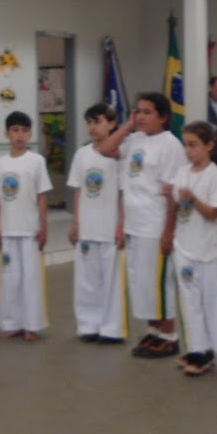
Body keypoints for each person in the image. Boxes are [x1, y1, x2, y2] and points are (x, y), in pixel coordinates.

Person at [100, 91, 184, 358]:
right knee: (141, 283)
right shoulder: (134, 139)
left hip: (154, 224)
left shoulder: (170, 145)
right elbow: (105, 149)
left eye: (148, 112)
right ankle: (153, 331)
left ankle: (169, 335)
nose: (141, 117)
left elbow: (173, 194)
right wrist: (128, 125)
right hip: (134, 224)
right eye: (138, 111)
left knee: (158, 282)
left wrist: (169, 231)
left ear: (163, 116)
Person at [171, 120, 217, 375]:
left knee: (210, 301)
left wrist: (192, 199)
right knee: (189, 300)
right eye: (186, 145)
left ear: (209, 145)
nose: (188, 150)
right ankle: (196, 348)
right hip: (183, 245)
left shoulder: (216, 176)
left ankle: (210, 351)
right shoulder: (183, 172)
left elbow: (213, 214)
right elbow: (176, 204)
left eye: (193, 145)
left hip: (208, 249)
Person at [67, 102, 126, 344]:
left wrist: (121, 224)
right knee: (86, 280)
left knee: (110, 281)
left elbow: (123, 193)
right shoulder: (82, 155)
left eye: (98, 122)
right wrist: (75, 223)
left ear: (112, 124)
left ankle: (111, 329)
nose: (92, 127)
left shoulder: (118, 155)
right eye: (89, 123)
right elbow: (79, 190)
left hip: (109, 226)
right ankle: (88, 325)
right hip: (87, 227)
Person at [0, 110, 52, 340]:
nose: (20, 135)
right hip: (8, 229)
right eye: (15, 130)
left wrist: (43, 226)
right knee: (11, 279)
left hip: (30, 230)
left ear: (30, 134)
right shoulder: (1, 163)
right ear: (7, 133)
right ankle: (12, 323)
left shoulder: (36, 161)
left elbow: (42, 196)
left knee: (30, 279)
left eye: (24, 131)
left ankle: (31, 325)